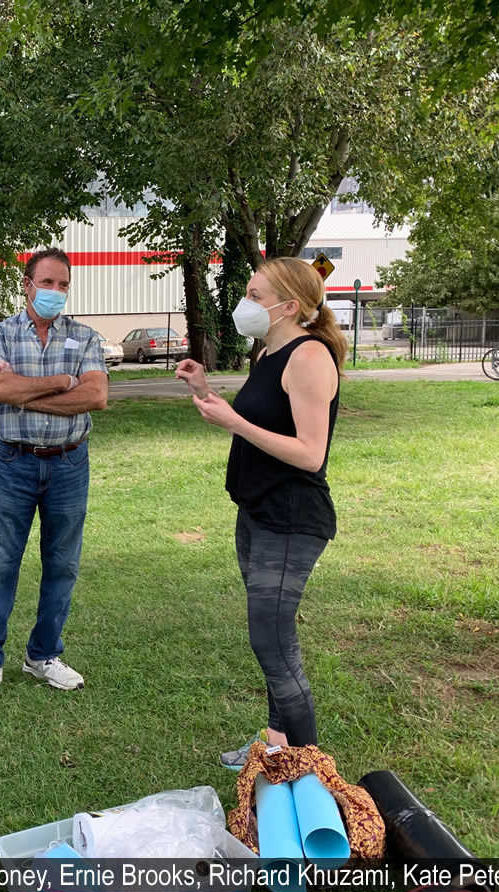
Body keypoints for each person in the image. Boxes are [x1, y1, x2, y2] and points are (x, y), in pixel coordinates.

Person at [174, 256, 347, 769]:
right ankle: (277, 746)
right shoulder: (270, 354)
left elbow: (310, 453)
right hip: (256, 512)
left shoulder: (309, 356)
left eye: (254, 294)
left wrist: (233, 422)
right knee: (272, 640)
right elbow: (257, 419)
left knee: (271, 641)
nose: (244, 304)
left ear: (289, 306)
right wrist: (206, 391)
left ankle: (310, 770)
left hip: (291, 518)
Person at [0, 248, 108, 706]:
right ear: (27, 284)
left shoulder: (86, 337)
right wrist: (64, 383)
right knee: (0, 564)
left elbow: (97, 396)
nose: (55, 292)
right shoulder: (1, 333)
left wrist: (24, 394)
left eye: (63, 285)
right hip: (14, 463)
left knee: (62, 565)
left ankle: (43, 655)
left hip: (69, 463)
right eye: (48, 283)